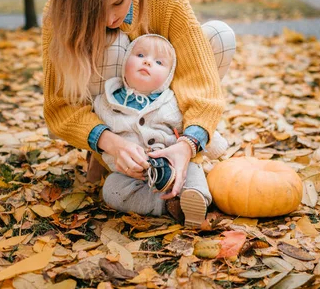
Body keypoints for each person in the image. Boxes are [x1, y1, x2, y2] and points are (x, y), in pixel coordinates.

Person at [42, 0, 235, 219]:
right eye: (95, 11)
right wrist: (109, 140)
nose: (110, 18)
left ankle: (175, 156)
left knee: (218, 36)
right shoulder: (58, 15)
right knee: (114, 45)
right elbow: (59, 106)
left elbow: (200, 78)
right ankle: (112, 160)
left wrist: (188, 144)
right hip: (112, 120)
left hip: (167, 114)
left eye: (118, 3)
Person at [93, 34, 228, 227]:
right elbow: (104, 137)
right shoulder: (106, 103)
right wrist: (117, 162)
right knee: (112, 188)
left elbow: (191, 126)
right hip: (134, 174)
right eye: (140, 55)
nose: (147, 62)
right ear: (124, 63)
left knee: (193, 170)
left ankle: (195, 198)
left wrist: (217, 147)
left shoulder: (171, 102)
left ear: (168, 76)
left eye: (158, 62)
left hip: (175, 164)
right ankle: (168, 204)